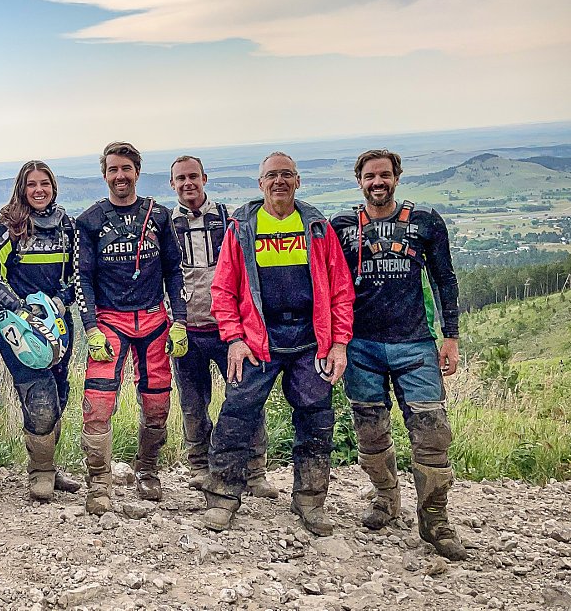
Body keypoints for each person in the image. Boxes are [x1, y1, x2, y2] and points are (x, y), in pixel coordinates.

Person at [205, 152, 354, 535]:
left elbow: (340, 289)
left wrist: (339, 343)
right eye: (271, 175)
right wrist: (234, 338)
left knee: (316, 420)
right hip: (257, 340)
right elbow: (223, 289)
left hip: (310, 340)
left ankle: (310, 502)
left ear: (298, 181)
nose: (279, 181)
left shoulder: (317, 227)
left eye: (286, 174)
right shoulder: (243, 228)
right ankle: (222, 498)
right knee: (237, 415)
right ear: (261, 184)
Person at [330, 149, 467, 560]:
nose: (378, 182)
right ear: (359, 181)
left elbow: (444, 278)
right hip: (361, 345)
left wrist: (451, 336)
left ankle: (435, 520)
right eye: (370, 176)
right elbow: (328, 284)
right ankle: (386, 498)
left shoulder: (425, 222)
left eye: (385, 175)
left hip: (416, 343)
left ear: (397, 177)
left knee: (432, 433)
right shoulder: (341, 227)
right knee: (370, 431)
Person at [75, 141, 188, 515]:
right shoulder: (89, 221)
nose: (120, 176)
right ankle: (99, 483)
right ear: (104, 174)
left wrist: (180, 321)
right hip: (110, 321)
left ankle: (148, 470)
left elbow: (174, 271)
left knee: (157, 404)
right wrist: (90, 327)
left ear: (137, 172)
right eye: (113, 169)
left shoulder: (159, 216)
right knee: (98, 404)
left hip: (154, 320)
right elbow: (82, 278)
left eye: (126, 168)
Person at [169, 155, 278, 500]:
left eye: (193, 176)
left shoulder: (230, 218)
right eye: (181, 178)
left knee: (246, 400)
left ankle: (255, 471)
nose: (188, 183)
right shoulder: (166, 224)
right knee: (192, 404)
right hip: (186, 328)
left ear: (204, 178)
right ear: (172, 184)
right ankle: (200, 468)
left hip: (229, 331)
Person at [0, 160, 82, 501]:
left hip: (59, 324)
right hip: (20, 329)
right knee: (39, 398)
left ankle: (49, 465)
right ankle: (39, 472)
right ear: (21, 189)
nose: (39, 190)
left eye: (45, 183)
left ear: (53, 187)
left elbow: (79, 275)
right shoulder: (7, 228)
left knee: (59, 394)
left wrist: (59, 301)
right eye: (31, 184)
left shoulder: (67, 226)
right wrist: (22, 309)